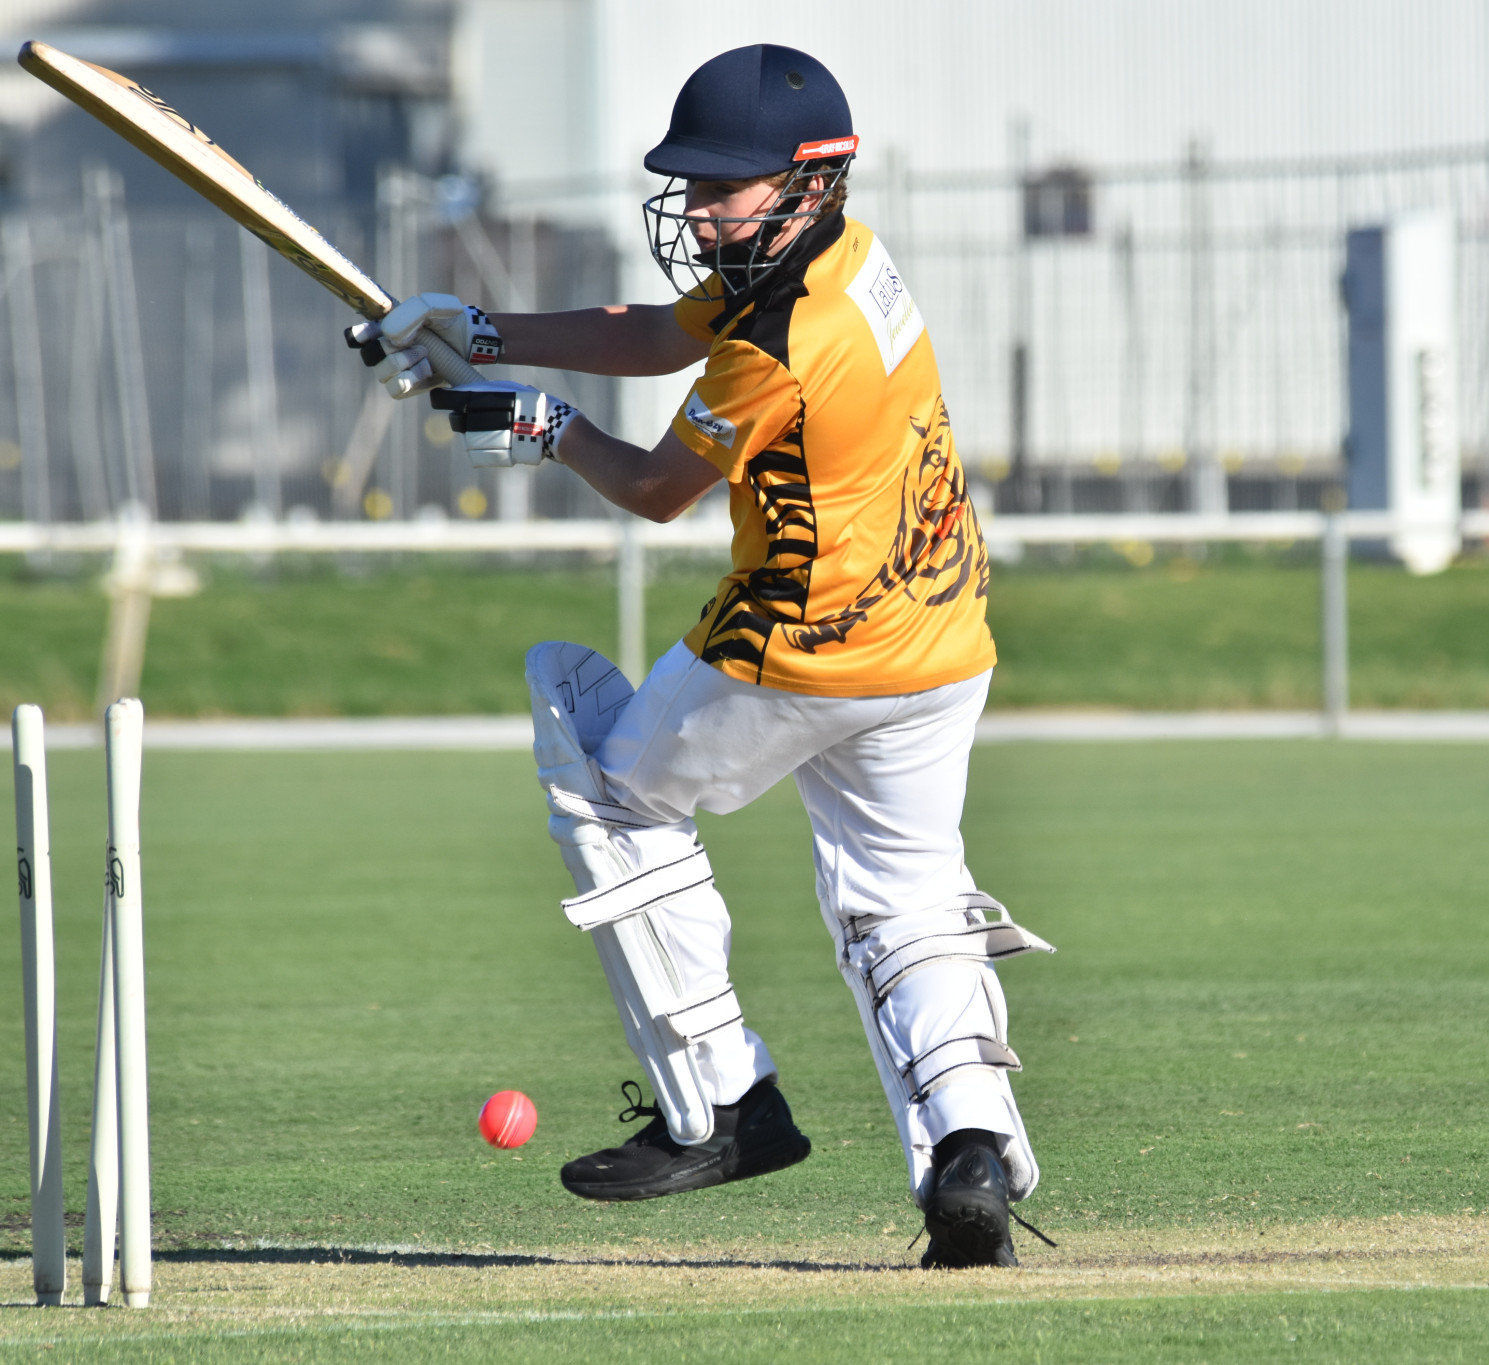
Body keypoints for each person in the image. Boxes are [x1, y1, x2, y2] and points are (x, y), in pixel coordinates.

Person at [343, 43, 1054, 1268]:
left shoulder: (783, 339)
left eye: (728, 185)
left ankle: (719, 1102)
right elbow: (661, 334)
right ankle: (969, 1155)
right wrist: (484, 325)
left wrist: (543, 425)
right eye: (695, 181)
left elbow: (659, 489)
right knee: (906, 901)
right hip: (939, 641)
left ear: (809, 176)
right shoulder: (844, 253)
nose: (703, 206)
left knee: (601, 768)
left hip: (802, 646)